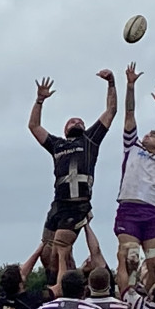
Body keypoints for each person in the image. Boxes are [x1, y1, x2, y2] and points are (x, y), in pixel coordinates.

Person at [29, 71, 117, 287]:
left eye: (80, 121)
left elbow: (111, 111)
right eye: (72, 121)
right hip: (57, 206)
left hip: (76, 206)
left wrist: (111, 83)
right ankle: (62, 284)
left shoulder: (90, 140)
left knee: (61, 247)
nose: (76, 122)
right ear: (65, 129)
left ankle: (60, 293)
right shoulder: (57, 145)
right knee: (47, 253)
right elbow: (34, 126)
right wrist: (39, 100)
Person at [114, 63, 155, 292]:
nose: (147, 134)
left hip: (151, 212)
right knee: (130, 259)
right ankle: (126, 301)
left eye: (153, 135)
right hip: (129, 208)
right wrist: (130, 86)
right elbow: (129, 113)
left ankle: (148, 302)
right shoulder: (132, 147)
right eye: (147, 133)